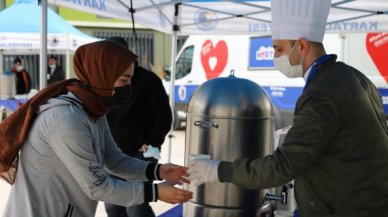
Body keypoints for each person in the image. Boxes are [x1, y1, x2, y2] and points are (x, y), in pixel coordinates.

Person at [188, 0, 388, 217]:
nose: (275, 57)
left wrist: (217, 170)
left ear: (302, 46)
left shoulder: (322, 92)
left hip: (348, 207)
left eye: (279, 49)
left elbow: (283, 166)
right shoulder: (352, 76)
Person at [0, 40, 192, 217]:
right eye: (124, 80)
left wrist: (158, 171)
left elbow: (113, 160)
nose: (129, 87)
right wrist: (155, 192)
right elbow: (98, 187)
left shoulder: (92, 111)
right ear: (102, 75)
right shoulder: (67, 119)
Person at [104, 36, 173, 217]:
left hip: (141, 152)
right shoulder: (104, 80)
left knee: (136, 207)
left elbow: (164, 116)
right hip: (112, 153)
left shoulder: (148, 80)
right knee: (113, 206)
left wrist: (151, 143)